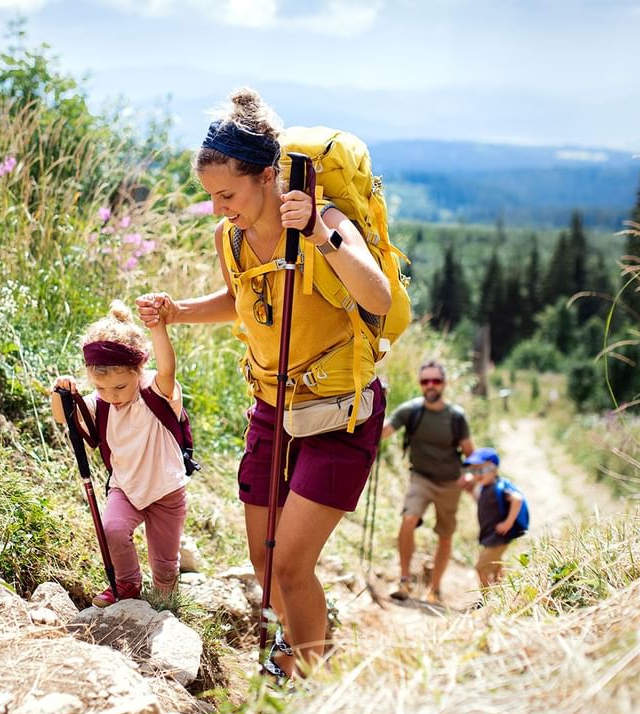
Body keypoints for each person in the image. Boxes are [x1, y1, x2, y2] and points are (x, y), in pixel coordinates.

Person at [136, 88, 391, 681]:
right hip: (271, 407)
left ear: (269, 176)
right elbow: (241, 300)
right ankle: (302, 650)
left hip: (339, 413)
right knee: (265, 560)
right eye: (211, 197)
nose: (220, 208)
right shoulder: (231, 237)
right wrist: (177, 312)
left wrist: (323, 238)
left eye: (228, 194)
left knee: (293, 564)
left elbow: (375, 295)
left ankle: (309, 681)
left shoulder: (324, 221)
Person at [50, 301, 189, 608]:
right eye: (101, 387)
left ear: (139, 371)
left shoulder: (155, 391)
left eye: (120, 387)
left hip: (166, 490)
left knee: (165, 563)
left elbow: (167, 368)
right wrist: (58, 392)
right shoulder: (101, 404)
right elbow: (64, 417)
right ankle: (127, 584)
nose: (112, 395)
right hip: (125, 486)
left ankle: (166, 601)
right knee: (112, 528)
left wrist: (158, 327)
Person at [379, 360, 475, 604]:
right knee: (408, 519)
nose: (430, 386)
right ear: (420, 384)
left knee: (445, 536)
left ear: (444, 384)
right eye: (425, 381)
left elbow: (470, 453)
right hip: (421, 478)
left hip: (450, 483)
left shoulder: (456, 417)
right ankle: (404, 580)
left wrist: (473, 477)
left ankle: (435, 588)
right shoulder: (411, 411)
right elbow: (384, 431)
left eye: (436, 381)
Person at [464, 447, 528, 590]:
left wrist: (508, 522)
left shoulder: (498, 487)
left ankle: (488, 598)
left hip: (498, 536)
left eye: (481, 470)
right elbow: (484, 504)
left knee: (481, 568)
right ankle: (503, 592)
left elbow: (517, 499)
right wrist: (470, 492)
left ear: (494, 469)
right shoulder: (485, 488)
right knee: (496, 566)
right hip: (491, 535)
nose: (477, 475)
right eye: (474, 471)